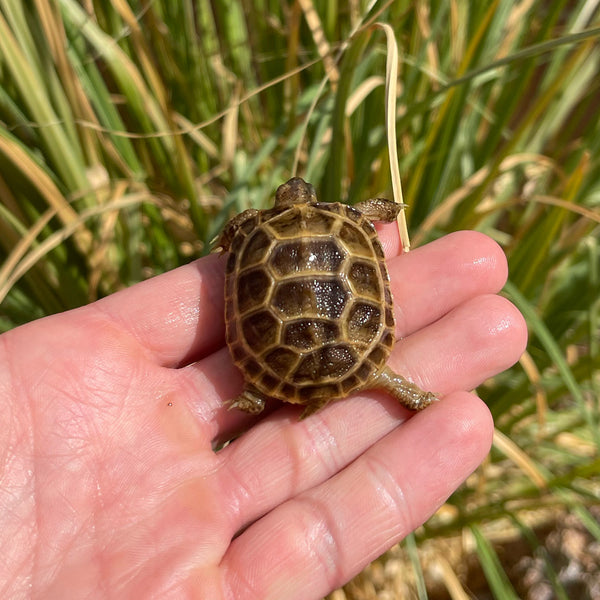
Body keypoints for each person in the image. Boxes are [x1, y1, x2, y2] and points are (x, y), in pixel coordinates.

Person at [0, 228, 526, 599]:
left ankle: (261, 394)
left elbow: (239, 245)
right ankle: (406, 394)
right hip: (354, 354)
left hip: (277, 363)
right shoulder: (342, 220)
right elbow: (359, 229)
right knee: (376, 374)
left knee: (352, 379)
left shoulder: (252, 232)